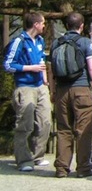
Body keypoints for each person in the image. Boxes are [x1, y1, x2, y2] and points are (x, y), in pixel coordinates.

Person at [52, 11, 92, 178]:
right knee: (83, 130)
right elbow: (91, 67)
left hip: (61, 90)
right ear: (82, 26)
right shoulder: (85, 42)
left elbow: (51, 70)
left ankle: (61, 168)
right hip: (81, 89)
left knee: (63, 129)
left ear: (67, 25)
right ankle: (84, 168)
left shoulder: (56, 43)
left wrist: (53, 91)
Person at [3, 11, 52, 172]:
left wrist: (45, 79)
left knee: (45, 121)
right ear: (36, 24)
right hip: (25, 87)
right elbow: (8, 65)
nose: (44, 26)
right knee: (25, 124)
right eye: (43, 23)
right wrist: (30, 68)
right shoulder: (19, 41)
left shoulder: (40, 40)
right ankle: (24, 159)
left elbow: (42, 61)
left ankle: (38, 155)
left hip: (40, 86)